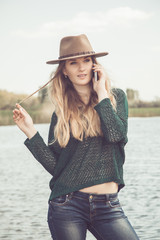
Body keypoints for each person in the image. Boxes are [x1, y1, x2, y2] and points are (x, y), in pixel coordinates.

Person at [13, 34, 139, 240]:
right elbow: (57, 167)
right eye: (73, 63)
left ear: (94, 65)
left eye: (86, 61)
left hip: (109, 206)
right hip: (67, 205)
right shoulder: (61, 114)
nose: (81, 68)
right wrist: (30, 131)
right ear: (64, 70)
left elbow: (116, 135)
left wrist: (102, 95)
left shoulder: (115, 98)